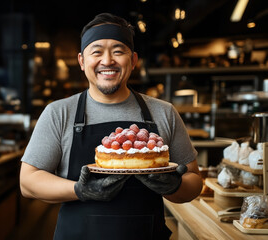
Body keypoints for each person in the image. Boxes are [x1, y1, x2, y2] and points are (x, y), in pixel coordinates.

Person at [20, 12, 202, 240]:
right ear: (82, 61)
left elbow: (194, 181)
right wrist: (79, 190)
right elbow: (28, 182)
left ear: (133, 60)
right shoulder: (59, 113)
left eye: (118, 51)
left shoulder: (163, 112)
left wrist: (173, 186)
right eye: (96, 51)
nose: (107, 61)